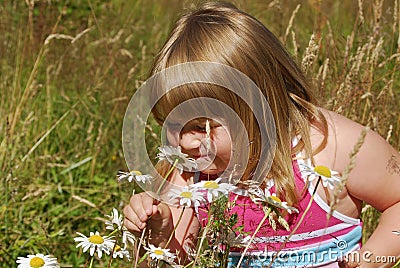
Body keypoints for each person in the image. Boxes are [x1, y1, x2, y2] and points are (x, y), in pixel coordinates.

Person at [123, 2, 400, 267]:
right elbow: (176, 259)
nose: (186, 143)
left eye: (201, 126)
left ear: (258, 108)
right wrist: (159, 233)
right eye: (173, 125)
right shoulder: (189, 176)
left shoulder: (330, 146)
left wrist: (371, 261)